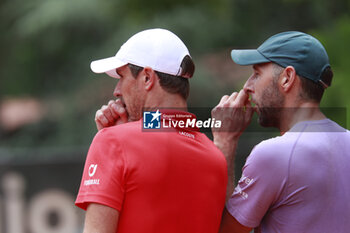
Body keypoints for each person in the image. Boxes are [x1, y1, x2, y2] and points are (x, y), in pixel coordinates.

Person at [75, 28, 227, 233]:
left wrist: (114, 139)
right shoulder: (216, 158)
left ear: (147, 78)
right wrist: (127, 131)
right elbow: (167, 127)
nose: (116, 90)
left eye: (121, 77)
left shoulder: (112, 141)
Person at [211, 31, 350, 233]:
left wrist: (225, 140)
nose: (247, 86)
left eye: (257, 74)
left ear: (287, 78)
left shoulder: (274, 154)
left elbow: (222, 231)